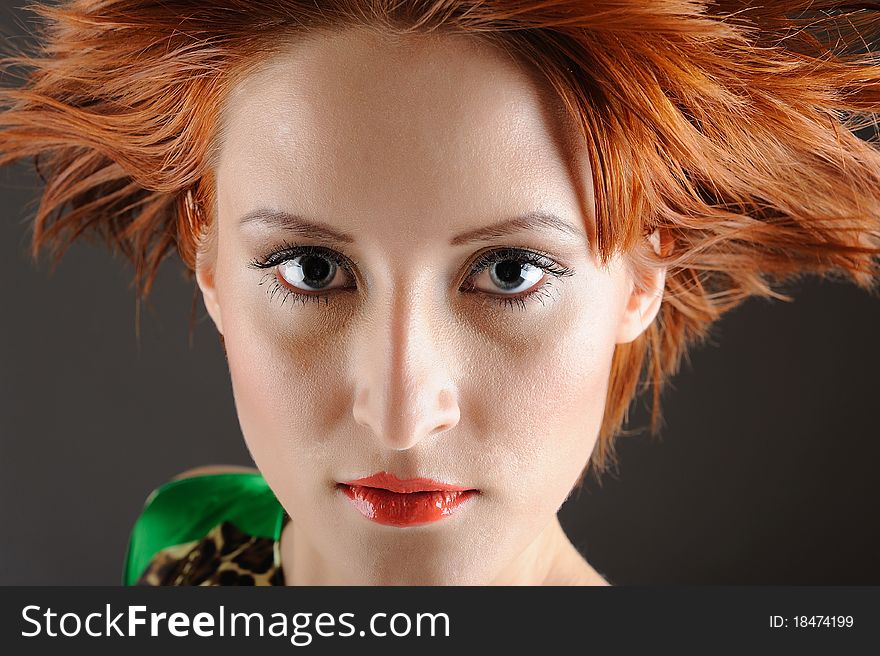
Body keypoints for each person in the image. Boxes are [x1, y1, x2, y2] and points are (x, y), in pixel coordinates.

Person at [1, 0, 878, 586]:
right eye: (310, 268)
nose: (400, 416)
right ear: (209, 259)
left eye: (509, 272)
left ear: (643, 276)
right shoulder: (184, 550)